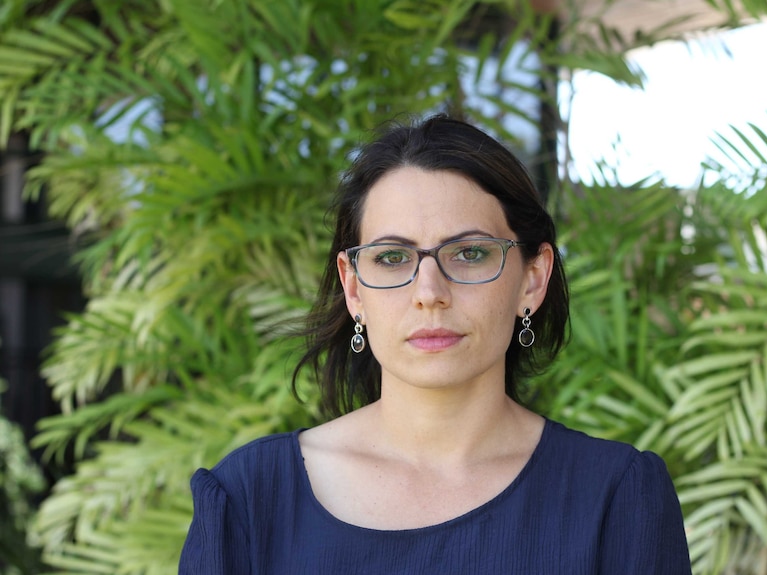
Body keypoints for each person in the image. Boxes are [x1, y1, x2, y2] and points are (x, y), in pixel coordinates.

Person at [178, 115, 692, 574]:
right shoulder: (249, 499)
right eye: (393, 258)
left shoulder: (617, 497)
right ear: (353, 287)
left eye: (469, 253)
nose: (430, 294)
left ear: (533, 279)